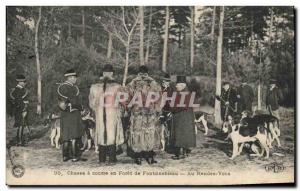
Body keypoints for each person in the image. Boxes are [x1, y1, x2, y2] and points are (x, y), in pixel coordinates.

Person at [89, 64, 124, 165]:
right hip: (111, 114)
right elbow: (121, 101)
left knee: (102, 133)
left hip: (102, 114)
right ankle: (111, 159)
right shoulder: (117, 87)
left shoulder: (94, 87)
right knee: (111, 134)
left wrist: (97, 109)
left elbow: (91, 103)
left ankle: (102, 159)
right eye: (108, 72)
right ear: (112, 73)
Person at [126, 65, 162, 165]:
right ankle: (150, 156)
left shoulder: (133, 83)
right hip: (150, 112)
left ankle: (138, 157)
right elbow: (159, 97)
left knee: (137, 133)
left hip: (137, 112)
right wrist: (158, 110)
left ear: (139, 72)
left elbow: (127, 97)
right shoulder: (154, 83)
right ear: (147, 72)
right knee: (150, 133)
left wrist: (129, 108)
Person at [57, 69, 84, 162]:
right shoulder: (66, 87)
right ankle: (74, 156)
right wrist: (79, 106)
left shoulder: (68, 87)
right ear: (69, 77)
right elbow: (70, 100)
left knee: (67, 134)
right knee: (74, 134)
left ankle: (65, 156)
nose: (75, 79)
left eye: (75, 77)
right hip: (71, 113)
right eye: (73, 77)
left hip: (67, 114)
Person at [170, 75, 196, 160]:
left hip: (182, 118)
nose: (176, 86)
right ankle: (184, 152)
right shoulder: (185, 92)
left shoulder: (185, 93)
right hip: (185, 117)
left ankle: (180, 153)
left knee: (181, 135)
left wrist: (172, 109)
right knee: (184, 135)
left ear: (182, 85)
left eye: (177, 85)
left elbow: (180, 106)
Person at [10, 74, 29, 146]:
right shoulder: (17, 90)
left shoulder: (19, 90)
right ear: (20, 82)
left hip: (20, 109)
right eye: (24, 82)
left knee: (21, 125)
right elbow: (18, 100)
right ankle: (19, 142)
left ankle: (19, 141)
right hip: (20, 110)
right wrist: (24, 108)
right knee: (20, 125)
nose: (25, 83)